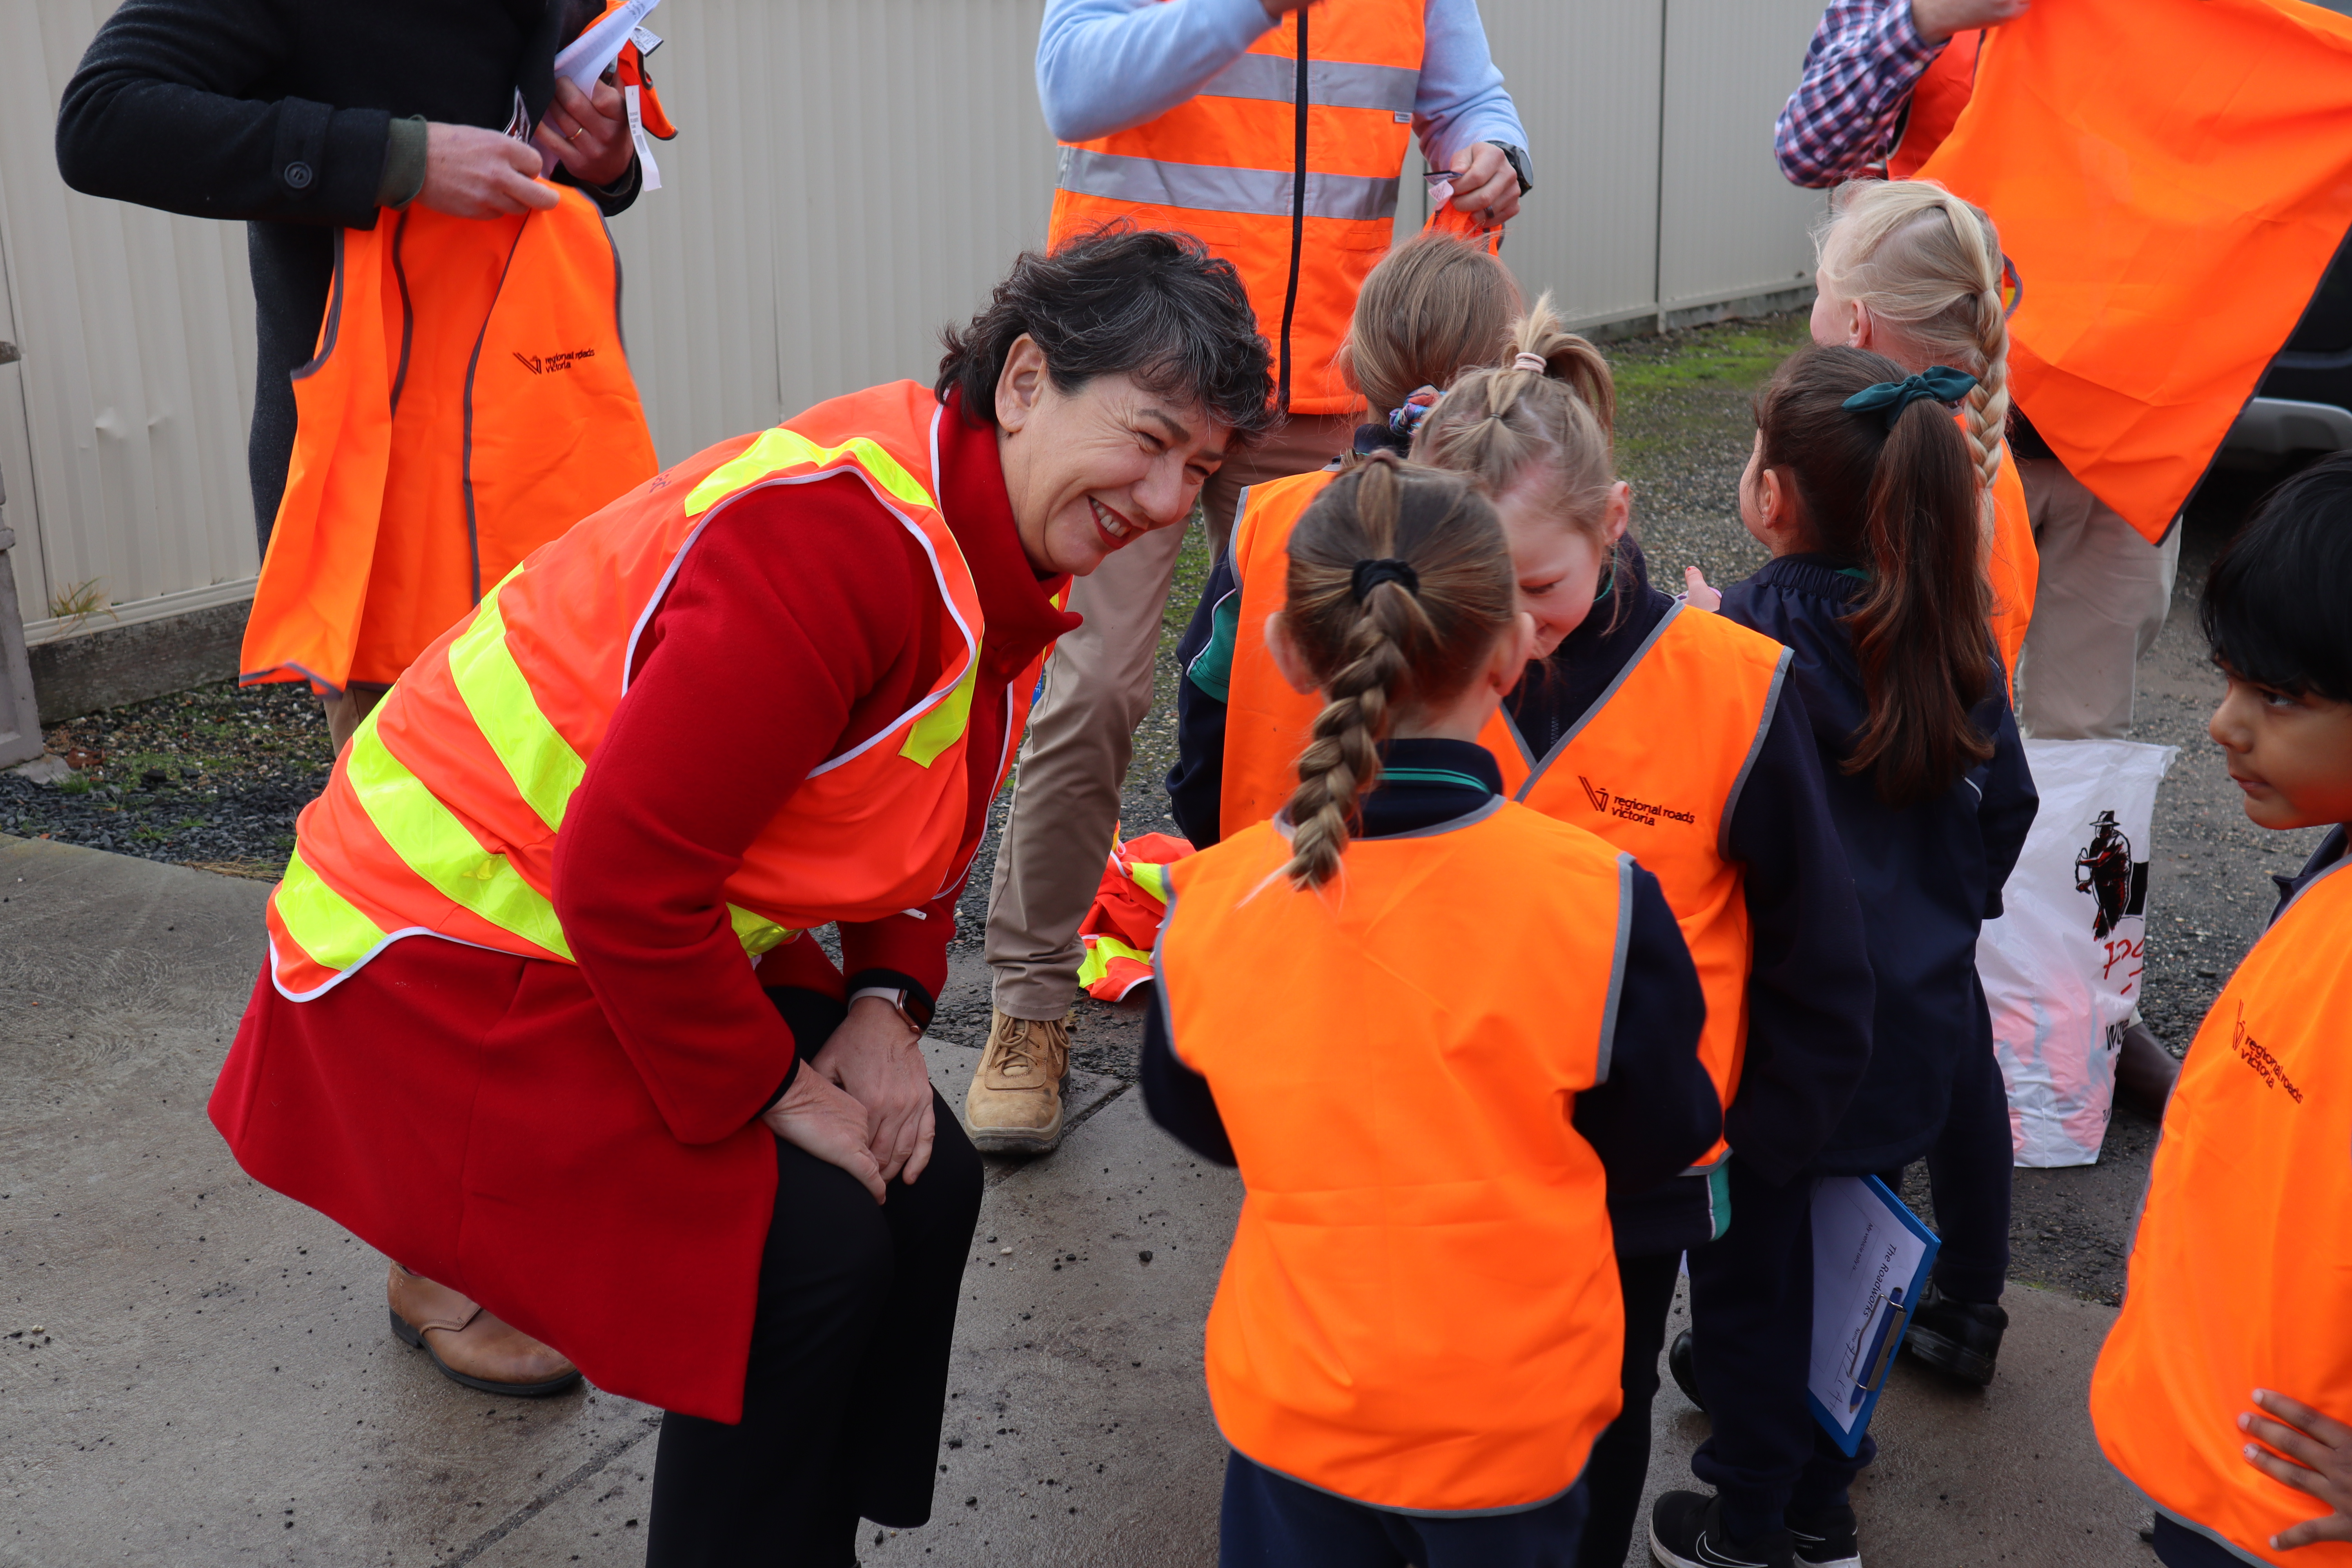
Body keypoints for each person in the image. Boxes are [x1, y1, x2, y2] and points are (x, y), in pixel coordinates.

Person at [204, 231, 1276, 1562]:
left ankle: (803, 1532)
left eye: (1203, 470)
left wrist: (887, 1008)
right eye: (1153, 438)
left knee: (925, 1181)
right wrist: (782, 1093)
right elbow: (623, 877)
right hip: (431, 950)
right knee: (803, 1252)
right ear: (1023, 382)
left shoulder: (985, 529)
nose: (1173, 498)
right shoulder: (838, 543)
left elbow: (919, 803)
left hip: (609, 926)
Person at [1178, 291, 1876, 1568]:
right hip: (1366, 1218)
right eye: (1477, 587)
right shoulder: (1396, 694)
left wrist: (1751, 1165)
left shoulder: (1730, 693)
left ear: (1614, 528)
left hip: (1617, 1215)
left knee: (1586, 1468)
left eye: (1533, 584)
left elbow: (1821, 966)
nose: (1509, 623)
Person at [971, 0, 1536, 1155]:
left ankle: (1303, 993)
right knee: (1097, 690)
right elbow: (1072, 87)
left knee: (1337, 695)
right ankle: (1029, 1011)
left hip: (1324, 386)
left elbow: (1469, 98)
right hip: (1138, 376)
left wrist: (1496, 153)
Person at [1141, 455, 1719, 1567]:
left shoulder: (1211, 908)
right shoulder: (1599, 902)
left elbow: (1198, 1117)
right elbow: (1662, 1134)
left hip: (1295, 1420)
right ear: (1510, 649)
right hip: (1512, 1426)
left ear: (1284, 653)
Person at [1652, 347, 2038, 1568]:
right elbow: (2008, 812)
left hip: (1778, 1044)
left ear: (1772, 498)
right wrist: (1939, 920)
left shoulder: (1742, 638)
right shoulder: (1950, 624)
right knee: (1857, 1266)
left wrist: (1700, 639)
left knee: (1756, 1287)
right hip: (1911, 1033)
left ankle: (1759, 1525)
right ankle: (1824, 1488)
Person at [56, 0, 658, 753]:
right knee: (420, 847)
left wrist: (607, 161)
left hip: (555, 478)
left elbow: (552, 96)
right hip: (387, 514)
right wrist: (396, 160)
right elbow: (101, 120)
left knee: (573, 817)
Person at [1762, 174, 2035, 1385]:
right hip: (1942, 821)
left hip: (1898, 830)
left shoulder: (1917, 484)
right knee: (1952, 1043)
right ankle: (1965, 1297)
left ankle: (1838, 1338)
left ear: (1860, 324)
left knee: (1909, 1068)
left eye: (1821, 290)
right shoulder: (1967, 460)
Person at [1773, 0, 2180, 750]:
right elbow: (1808, 148)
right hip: (1936, 423)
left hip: (2122, 432)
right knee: (1908, 695)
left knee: (2083, 734)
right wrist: (1926, 20)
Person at [2089, 454, 2352, 1568]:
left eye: (2280, 698)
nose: (2222, 725)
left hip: (2286, 1522)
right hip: (2212, 1461)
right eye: (2232, 680)